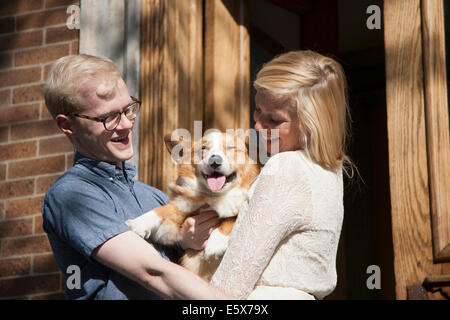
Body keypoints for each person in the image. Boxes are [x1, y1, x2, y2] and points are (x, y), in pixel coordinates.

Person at [41, 54, 232, 300]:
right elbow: (153, 272)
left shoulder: (153, 196)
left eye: (128, 109)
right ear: (67, 125)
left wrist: (184, 240)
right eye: (108, 118)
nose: (126, 125)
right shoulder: (72, 195)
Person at [210, 50, 352, 300]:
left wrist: (159, 272)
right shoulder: (330, 170)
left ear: (311, 124)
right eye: (257, 109)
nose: (257, 125)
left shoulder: (285, 167)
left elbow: (227, 287)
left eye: (274, 120)